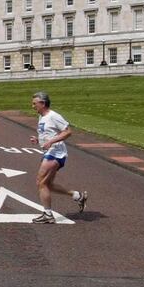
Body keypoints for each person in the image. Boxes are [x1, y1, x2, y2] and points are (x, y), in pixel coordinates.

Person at [28, 91, 88, 223]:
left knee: (41, 182)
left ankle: (48, 215)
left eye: (35, 104)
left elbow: (68, 132)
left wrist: (51, 142)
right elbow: (48, 134)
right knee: (47, 184)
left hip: (56, 153)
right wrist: (39, 140)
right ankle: (77, 196)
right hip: (50, 152)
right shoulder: (42, 117)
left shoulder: (53, 116)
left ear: (43, 103)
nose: (33, 106)